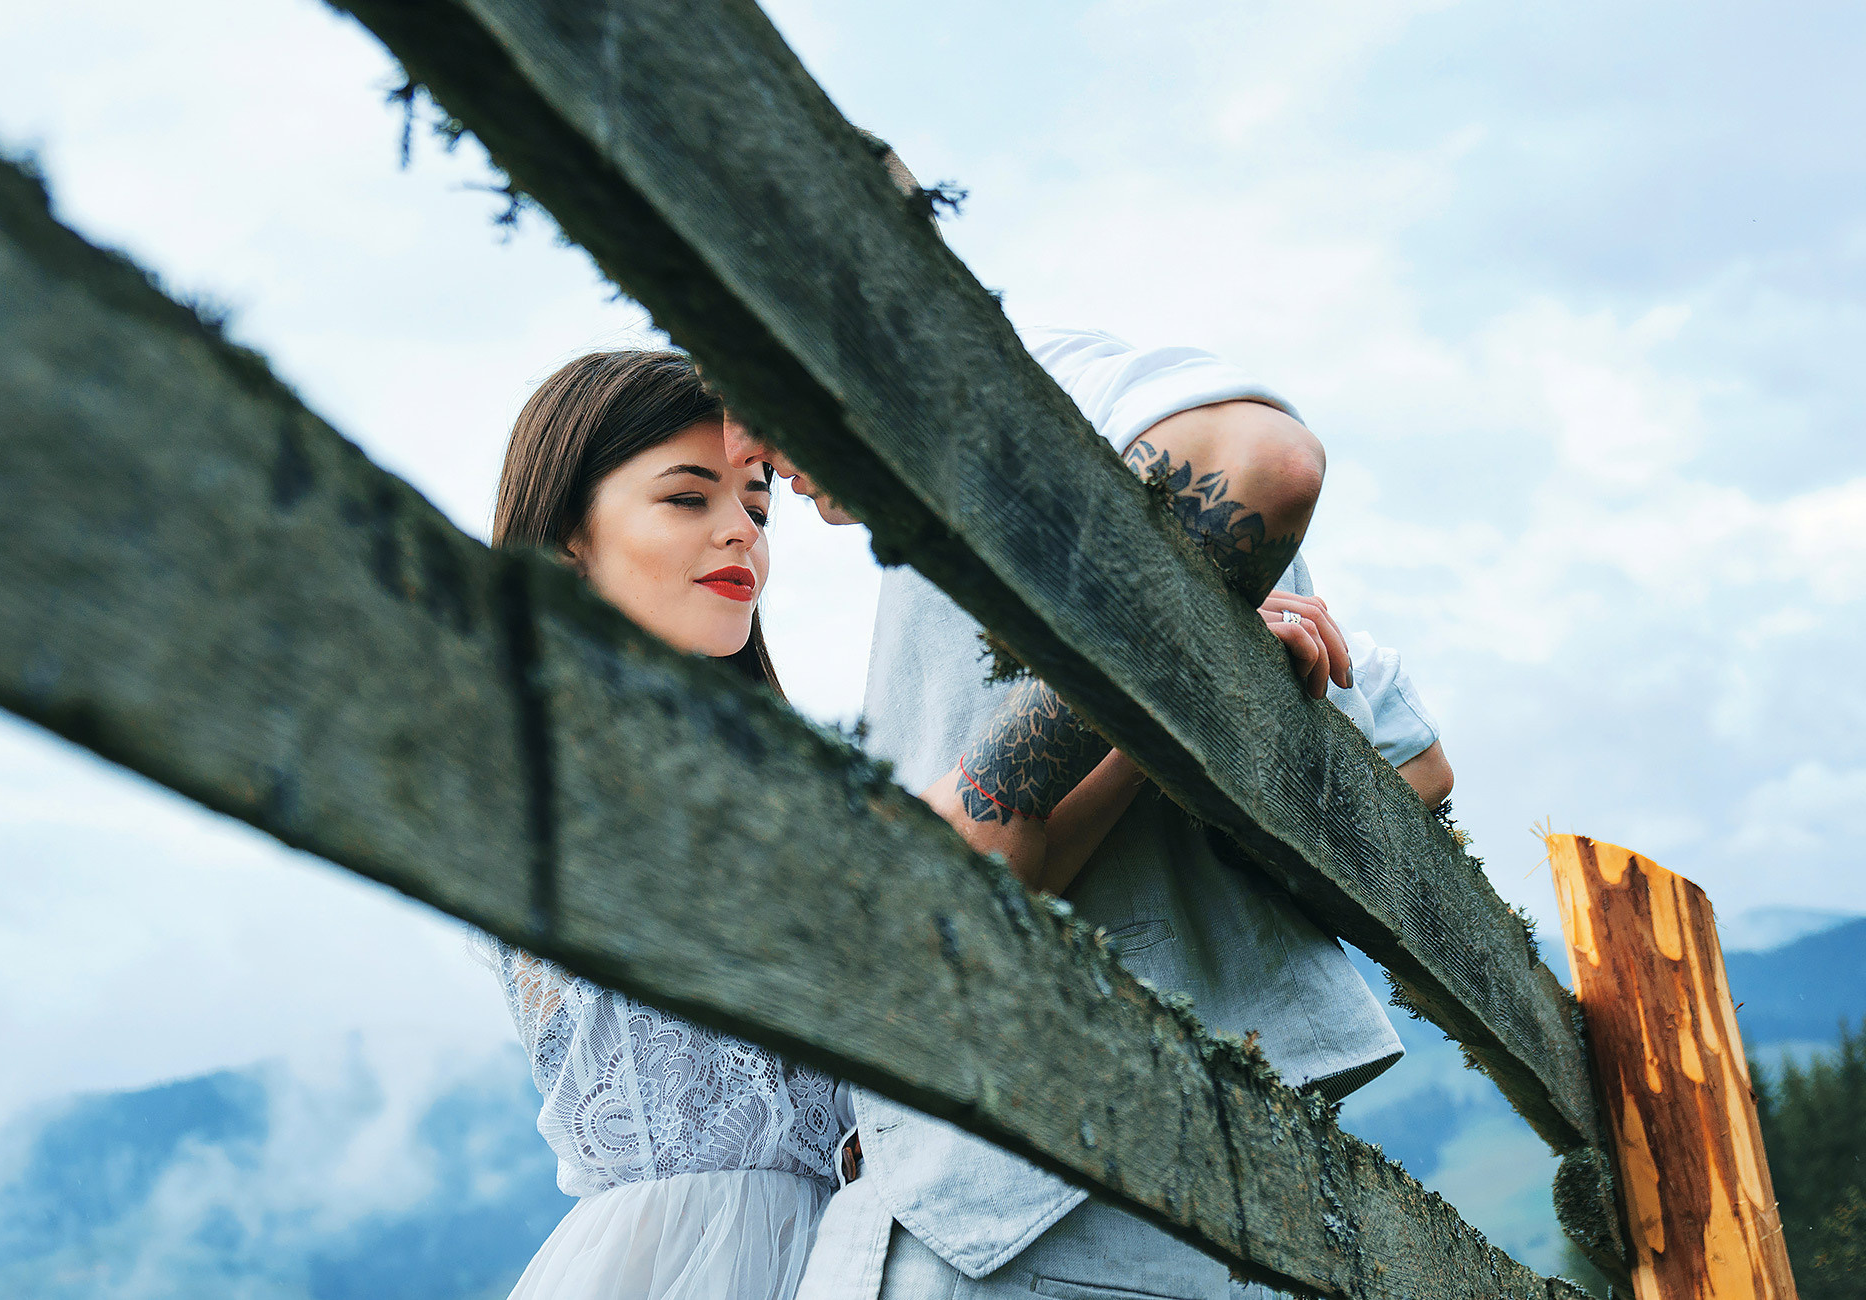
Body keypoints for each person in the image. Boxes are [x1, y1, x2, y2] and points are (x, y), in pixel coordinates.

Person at [720, 153, 1452, 1300]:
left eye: (746, 361)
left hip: (1041, 1202)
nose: (758, 446)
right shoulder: (1022, 516)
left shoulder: (1016, 416)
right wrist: (1189, 689)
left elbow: (1261, 461)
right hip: (1142, 1186)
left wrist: (990, 793)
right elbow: (1410, 764)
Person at [479, 350, 848, 1300]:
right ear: (568, 537)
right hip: (677, 1266)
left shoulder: (774, 777)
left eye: (760, 509)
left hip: (853, 1252)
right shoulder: (559, 769)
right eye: (690, 499)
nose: (742, 534)